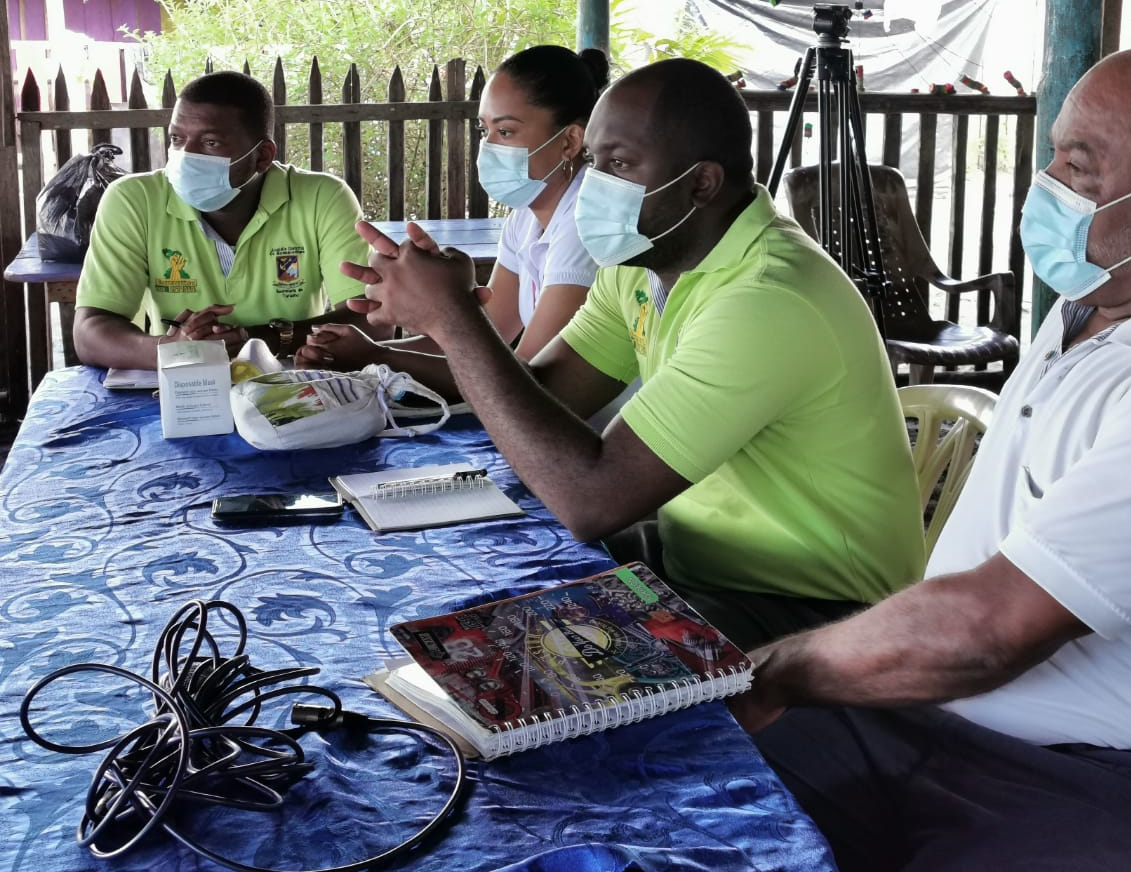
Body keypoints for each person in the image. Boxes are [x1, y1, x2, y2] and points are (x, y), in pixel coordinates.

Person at [730, 41, 1131, 872]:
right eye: (1053, 155)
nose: (1047, 185)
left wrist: (773, 670)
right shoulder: (1094, 308)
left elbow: (987, 632)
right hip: (937, 719)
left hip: (1104, 786)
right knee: (668, 802)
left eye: (1078, 167)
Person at [340, 57, 925, 650]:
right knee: (459, 591)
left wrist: (452, 318)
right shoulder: (644, 265)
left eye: (619, 165)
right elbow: (543, 397)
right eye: (594, 163)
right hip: (696, 559)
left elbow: (591, 500)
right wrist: (449, 317)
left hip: (815, 609)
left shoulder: (767, 299)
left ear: (702, 182)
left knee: (526, 659)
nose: (595, 187)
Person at [295, 45, 608, 403]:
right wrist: (366, 348)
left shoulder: (584, 225)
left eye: (505, 132)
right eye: (484, 129)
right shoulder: (526, 217)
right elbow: (484, 333)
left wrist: (381, 355)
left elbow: (523, 381)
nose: (488, 147)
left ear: (569, 141)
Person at [73, 70, 387, 369]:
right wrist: (176, 349)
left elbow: (373, 320)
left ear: (262, 156)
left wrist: (257, 341)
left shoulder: (322, 197)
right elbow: (90, 333)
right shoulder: (134, 200)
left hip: (291, 387)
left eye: (211, 143)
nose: (186, 157)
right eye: (177, 139)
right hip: (181, 388)